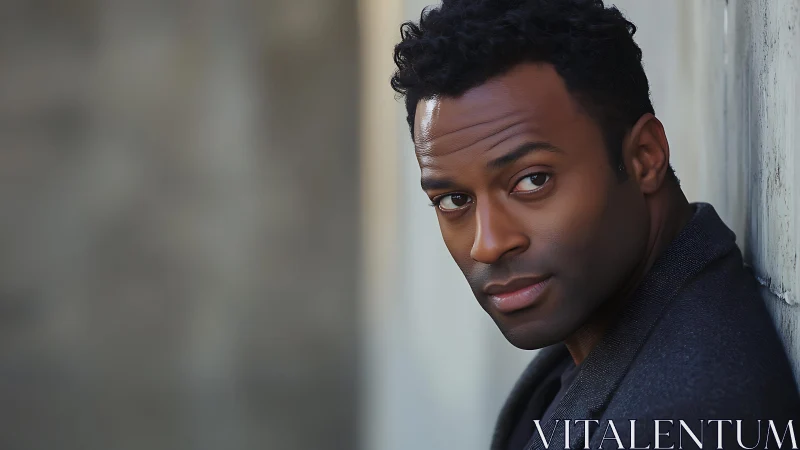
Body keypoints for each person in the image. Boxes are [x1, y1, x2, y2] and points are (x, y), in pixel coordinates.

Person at [390, 1, 800, 449]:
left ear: (645, 157)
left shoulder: (685, 420)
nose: (487, 245)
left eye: (532, 180)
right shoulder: (606, 327)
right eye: (454, 199)